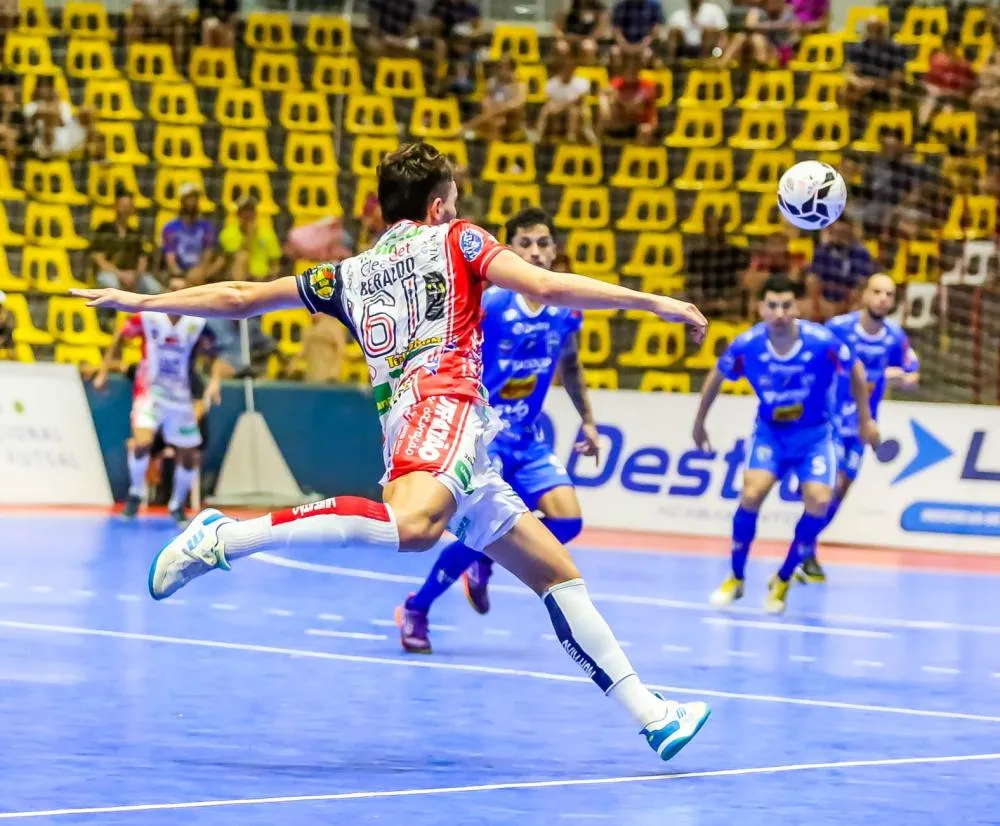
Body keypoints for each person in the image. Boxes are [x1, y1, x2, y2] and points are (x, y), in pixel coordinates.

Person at [73, 141, 712, 763]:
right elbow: (541, 287)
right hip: (444, 406)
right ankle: (223, 537)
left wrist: (145, 301)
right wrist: (648, 301)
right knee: (414, 528)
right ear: (438, 207)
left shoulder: (346, 274)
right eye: (454, 202)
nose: (458, 212)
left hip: (424, 424)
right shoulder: (460, 241)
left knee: (557, 573)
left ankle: (652, 717)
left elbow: (240, 299)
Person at [396, 207, 599, 653]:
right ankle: (417, 607)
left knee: (568, 519)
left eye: (543, 243)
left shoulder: (567, 310)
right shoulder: (491, 304)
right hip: (483, 440)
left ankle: (483, 560)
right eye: (524, 243)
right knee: (485, 531)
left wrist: (587, 418)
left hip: (528, 438)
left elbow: (570, 364)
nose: (535, 251)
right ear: (509, 250)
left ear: (555, 250)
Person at [692, 274, 879, 615]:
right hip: (771, 434)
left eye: (787, 305)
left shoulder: (821, 341)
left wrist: (866, 420)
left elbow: (855, 369)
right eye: (772, 305)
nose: (779, 312)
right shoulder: (747, 344)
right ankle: (735, 577)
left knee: (820, 501)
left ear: (800, 307)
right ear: (760, 308)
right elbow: (717, 376)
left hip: (815, 436)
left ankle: (783, 576)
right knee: (750, 494)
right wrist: (699, 422)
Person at [803, 274, 919, 581]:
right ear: (864, 295)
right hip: (829, 421)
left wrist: (895, 377)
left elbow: (912, 377)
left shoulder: (895, 337)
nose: (883, 298)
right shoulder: (839, 328)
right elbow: (813, 361)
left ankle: (806, 544)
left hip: (861, 426)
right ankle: (804, 548)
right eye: (877, 291)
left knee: (843, 488)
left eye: (889, 294)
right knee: (826, 488)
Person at [92, 274, 223, 524]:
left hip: (180, 397)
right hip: (149, 393)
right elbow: (120, 335)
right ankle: (135, 494)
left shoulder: (197, 324)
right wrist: (103, 371)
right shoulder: (148, 317)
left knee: (189, 455)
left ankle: (176, 505)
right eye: (171, 289)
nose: (176, 295)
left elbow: (214, 353)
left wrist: (215, 381)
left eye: (181, 291)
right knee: (141, 442)